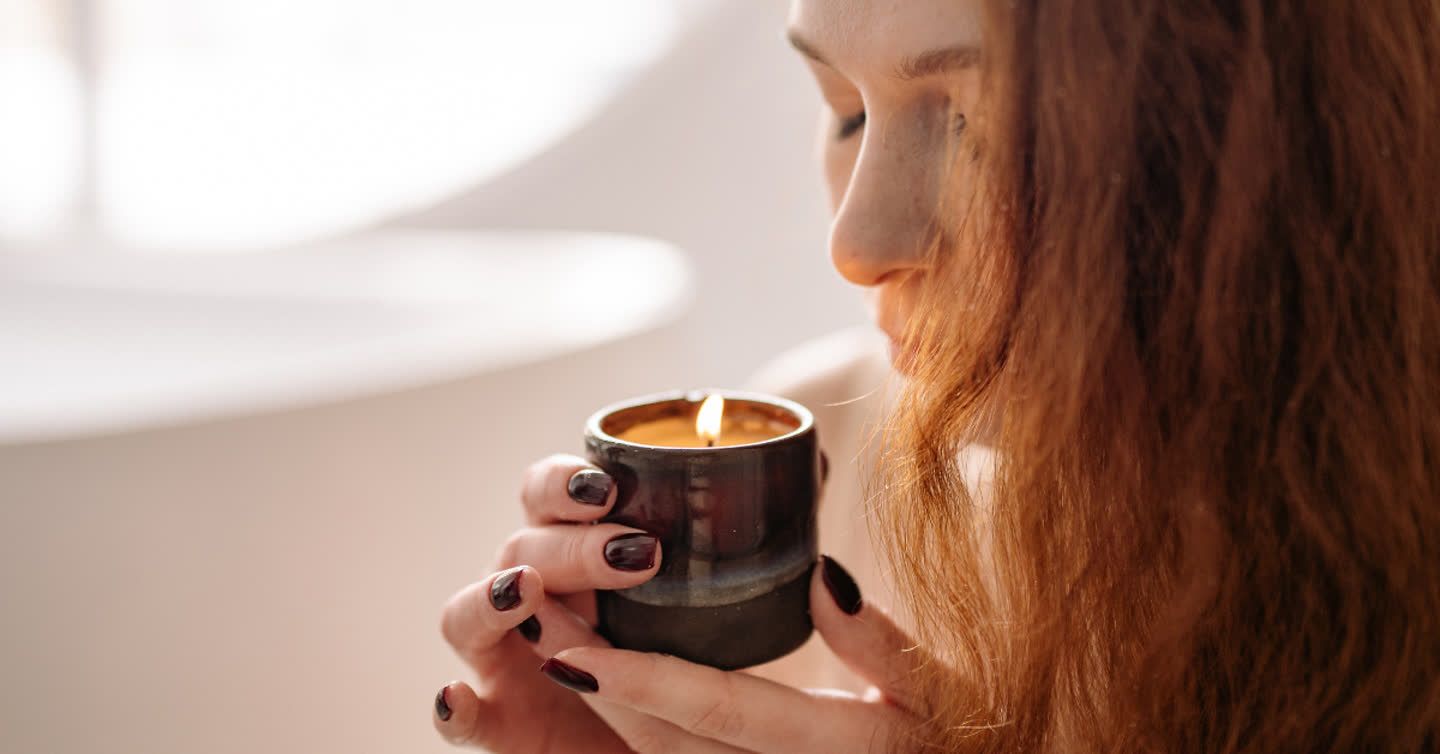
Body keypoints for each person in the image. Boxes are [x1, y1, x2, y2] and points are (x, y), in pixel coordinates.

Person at [432, 0, 1440, 750]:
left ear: (1283, 151)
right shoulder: (829, 454)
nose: (857, 244)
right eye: (846, 113)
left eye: (982, 124)